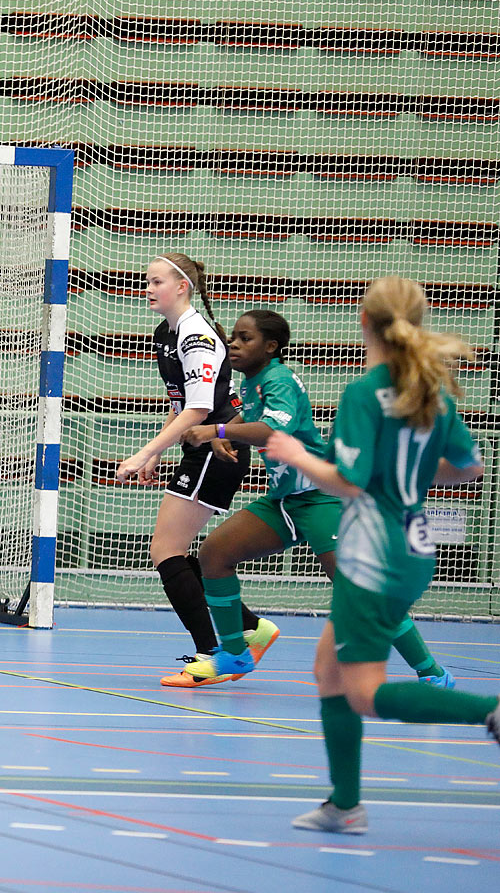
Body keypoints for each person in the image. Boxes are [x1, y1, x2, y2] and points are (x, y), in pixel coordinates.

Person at [264, 276, 498, 834]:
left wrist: (297, 452)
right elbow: (470, 469)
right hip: (415, 549)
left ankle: (485, 711)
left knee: (363, 693)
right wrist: (412, 476)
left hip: (372, 555)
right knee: (328, 671)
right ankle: (344, 806)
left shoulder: (365, 391)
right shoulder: (429, 387)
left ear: (364, 323)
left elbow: (349, 480)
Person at [180, 310, 452, 686]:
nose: (234, 344)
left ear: (271, 347)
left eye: (246, 338)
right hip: (285, 501)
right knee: (214, 553)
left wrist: (217, 428)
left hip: (322, 498)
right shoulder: (254, 382)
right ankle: (235, 655)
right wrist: (232, 432)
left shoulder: (279, 380)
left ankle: (432, 674)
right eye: (234, 338)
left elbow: (275, 427)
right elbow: (258, 419)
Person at [115, 254, 276, 687]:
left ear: (182, 286)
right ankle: (251, 628)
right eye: (146, 281)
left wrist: (141, 455)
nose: (147, 288)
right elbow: (180, 409)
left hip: (220, 449)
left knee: (165, 549)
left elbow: (202, 409)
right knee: (183, 553)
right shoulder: (165, 334)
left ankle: (216, 653)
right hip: (198, 448)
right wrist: (151, 456)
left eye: (156, 281)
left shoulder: (197, 336)